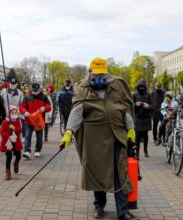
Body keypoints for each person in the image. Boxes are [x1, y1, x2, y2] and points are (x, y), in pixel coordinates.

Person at [60, 57, 135, 220]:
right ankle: (99, 206)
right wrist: (68, 131)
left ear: (107, 72)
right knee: (97, 171)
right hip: (95, 140)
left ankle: (123, 211)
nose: (99, 78)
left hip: (117, 135)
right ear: (90, 72)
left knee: (120, 172)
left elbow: (125, 108)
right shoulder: (82, 88)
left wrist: (131, 129)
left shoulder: (117, 85)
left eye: (103, 74)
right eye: (96, 74)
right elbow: (76, 111)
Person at [20, 83, 51, 158]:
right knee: (27, 136)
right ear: (31, 89)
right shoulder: (27, 96)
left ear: (39, 89)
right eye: (33, 90)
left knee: (39, 137)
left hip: (39, 120)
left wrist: (44, 108)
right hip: (29, 119)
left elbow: (49, 106)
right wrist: (25, 112)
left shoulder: (44, 97)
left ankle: (37, 150)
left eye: (36, 90)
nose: (34, 91)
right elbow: (21, 107)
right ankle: (27, 151)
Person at [0, 105, 23, 180]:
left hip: (16, 140)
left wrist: (14, 128)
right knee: (8, 156)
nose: (14, 114)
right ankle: (8, 171)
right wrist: (7, 136)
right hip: (8, 141)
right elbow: (2, 132)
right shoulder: (5, 122)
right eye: (12, 113)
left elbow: (19, 130)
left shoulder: (18, 121)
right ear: (8, 113)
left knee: (18, 155)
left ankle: (16, 163)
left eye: (15, 113)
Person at [132, 79, 153, 158]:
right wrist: (136, 104)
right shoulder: (134, 95)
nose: (141, 88)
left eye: (143, 87)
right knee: (137, 137)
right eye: (140, 87)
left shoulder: (148, 95)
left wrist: (148, 106)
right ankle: (137, 153)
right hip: (137, 118)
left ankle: (145, 150)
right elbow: (130, 106)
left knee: (145, 136)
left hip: (146, 118)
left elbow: (152, 107)